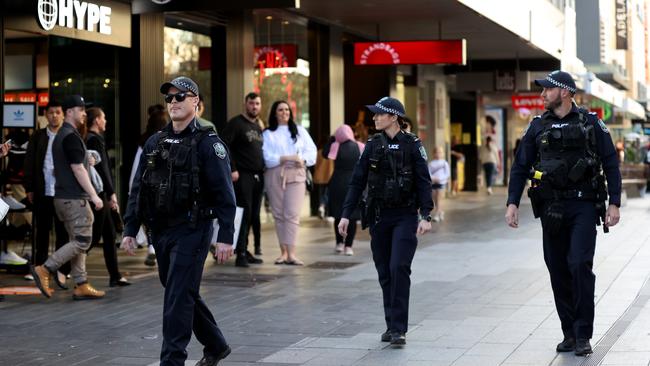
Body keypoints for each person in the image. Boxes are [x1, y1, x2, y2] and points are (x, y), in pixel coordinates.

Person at [505, 70, 622, 356]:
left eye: (548, 90)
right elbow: (520, 166)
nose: (542, 95)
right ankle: (569, 331)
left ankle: (583, 334)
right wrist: (511, 203)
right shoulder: (536, 127)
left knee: (579, 265)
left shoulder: (592, 123)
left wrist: (614, 202)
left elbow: (610, 162)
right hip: (551, 208)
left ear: (565, 92)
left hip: (583, 206)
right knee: (558, 269)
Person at [121, 76, 236, 366]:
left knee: (176, 299)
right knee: (179, 290)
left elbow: (225, 194)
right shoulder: (155, 141)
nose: (173, 102)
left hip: (193, 229)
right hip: (161, 231)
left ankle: (172, 361)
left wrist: (225, 236)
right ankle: (216, 344)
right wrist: (130, 229)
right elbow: (138, 188)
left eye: (180, 97)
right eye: (169, 98)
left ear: (196, 102)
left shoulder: (209, 144)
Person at [338, 97, 433, 346]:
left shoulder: (413, 144)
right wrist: (346, 214)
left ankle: (399, 328)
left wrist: (426, 215)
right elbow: (357, 181)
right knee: (384, 271)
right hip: (379, 216)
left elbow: (424, 181)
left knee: (398, 267)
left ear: (393, 117)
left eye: (379, 114)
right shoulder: (372, 145)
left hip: (405, 216)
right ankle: (391, 325)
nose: (374, 118)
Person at [30, 94, 106, 300]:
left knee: (76, 238)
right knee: (83, 240)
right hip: (74, 199)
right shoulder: (71, 136)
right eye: (81, 110)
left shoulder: (62, 135)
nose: (84, 114)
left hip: (63, 198)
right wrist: (94, 196)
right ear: (71, 112)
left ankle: (81, 283)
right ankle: (45, 268)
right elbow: (78, 170)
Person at [263, 101, 317, 265]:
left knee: (292, 214)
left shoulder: (299, 130)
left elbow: (311, 150)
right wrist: (286, 158)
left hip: (296, 173)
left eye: (287, 109)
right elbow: (266, 157)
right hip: (275, 173)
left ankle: (292, 253)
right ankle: (283, 253)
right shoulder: (267, 133)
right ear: (274, 113)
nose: (284, 112)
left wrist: (303, 160)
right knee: (279, 215)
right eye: (280, 110)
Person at [23, 101, 70, 285]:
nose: (54, 116)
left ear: (63, 114)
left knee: (62, 233)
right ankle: (38, 267)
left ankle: (61, 270)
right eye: (51, 113)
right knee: (41, 232)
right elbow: (29, 163)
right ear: (45, 114)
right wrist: (29, 188)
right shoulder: (38, 136)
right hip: (42, 191)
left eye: (58, 112)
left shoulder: (68, 135)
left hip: (62, 192)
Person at [85, 107, 129, 287]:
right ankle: (59, 267)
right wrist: (111, 194)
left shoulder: (90, 138)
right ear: (96, 120)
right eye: (103, 117)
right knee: (93, 237)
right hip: (99, 193)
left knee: (109, 234)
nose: (106, 121)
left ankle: (115, 275)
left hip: (99, 192)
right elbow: (103, 170)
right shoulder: (94, 140)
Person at [221, 92, 265, 266]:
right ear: (245, 104)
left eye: (257, 104)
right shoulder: (236, 123)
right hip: (242, 175)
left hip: (257, 176)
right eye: (251, 103)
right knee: (244, 214)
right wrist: (232, 168)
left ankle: (245, 250)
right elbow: (223, 145)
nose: (254, 106)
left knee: (253, 215)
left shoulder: (258, 126)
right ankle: (240, 254)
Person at [129, 108, 168, 266]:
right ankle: (158, 248)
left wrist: (133, 188)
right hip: (164, 186)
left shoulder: (144, 141)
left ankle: (152, 247)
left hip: (147, 187)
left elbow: (137, 168)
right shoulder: (168, 139)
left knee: (149, 219)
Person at [323, 124, 364, 255]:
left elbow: (325, 154)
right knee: (352, 216)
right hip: (355, 183)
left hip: (337, 183)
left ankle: (339, 243)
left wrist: (332, 140)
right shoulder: (360, 146)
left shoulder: (336, 146)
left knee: (338, 214)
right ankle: (349, 246)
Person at [428, 146, 450, 222]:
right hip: (433, 183)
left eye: (440, 152)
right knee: (435, 199)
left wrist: (440, 179)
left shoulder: (444, 163)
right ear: (433, 154)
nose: (438, 154)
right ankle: (440, 212)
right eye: (436, 152)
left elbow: (447, 174)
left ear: (443, 154)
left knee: (439, 199)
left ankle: (437, 214)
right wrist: (433, 178)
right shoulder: (431, 163)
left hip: (441, 183)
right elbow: (428, 173)